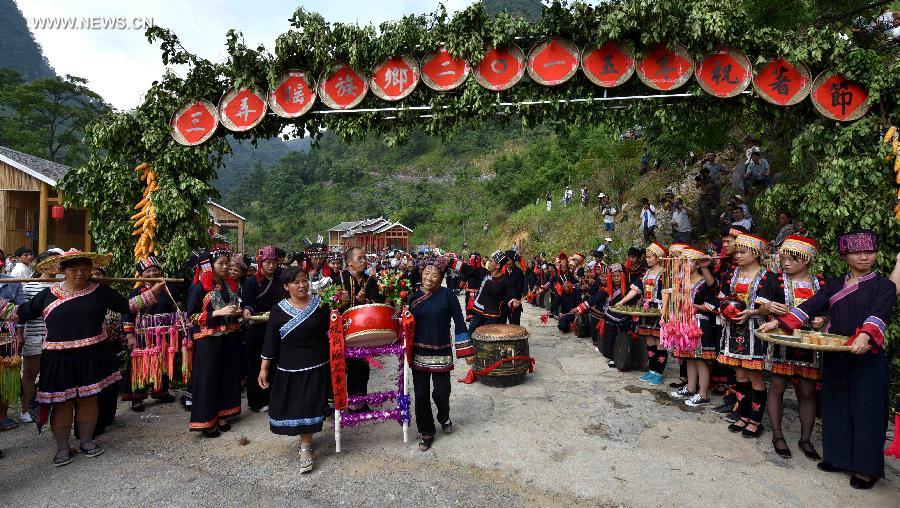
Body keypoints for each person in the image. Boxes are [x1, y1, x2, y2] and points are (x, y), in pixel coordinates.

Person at [0, 249, 165, 466]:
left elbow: (128, 306)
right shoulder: (48, 294)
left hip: (92, 355)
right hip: (58, 359)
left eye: (85, 269)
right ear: (62, 270)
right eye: (73, 269)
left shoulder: (100, 292)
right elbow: (21, 313)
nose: (80, 273)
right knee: (62, 404)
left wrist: (154, 291)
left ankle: (86, 440)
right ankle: (62, 447)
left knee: (88, 399)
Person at [759, 230, 896, 489]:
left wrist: (865, 337)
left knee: (866, 411)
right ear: (845, 255)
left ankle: (866, 469)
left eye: (869, 252)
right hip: (836, 354)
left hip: (867, 357)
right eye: (857, 252)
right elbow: (809, 307)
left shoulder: (884, 287)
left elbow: (879, 316)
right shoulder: (833, 284)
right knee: (835, 406)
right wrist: (778, 322)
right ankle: (838, 457)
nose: (864, 257)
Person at [259, 267, 330, 473]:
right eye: (296, 282)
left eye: (305, 281)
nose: (302, 285)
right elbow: (270, 342)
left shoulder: (320, 305)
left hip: (316, 366)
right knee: (296, 407)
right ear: (286, 286)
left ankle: (306, 447)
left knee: (310, 406)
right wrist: (264, 368)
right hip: (289, 368)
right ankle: (304, 440)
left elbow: (330, 331)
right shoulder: (278, 310)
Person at [704, 232, 773, 438]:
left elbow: (767, 306)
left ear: (756, 253)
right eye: (738, 252)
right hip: (732, 329)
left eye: (743, 252)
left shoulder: (767, 276)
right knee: (740, 375)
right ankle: (743, 415)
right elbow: (723, 297)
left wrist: (751, 312)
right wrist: (723, 311)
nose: (738, 256)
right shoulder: (732, 275)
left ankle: (755, 420)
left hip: (754, 331)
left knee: (755, 376)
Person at [761, 235, 824, 460]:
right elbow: (759, 304)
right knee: (777, 385)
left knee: (807, 391)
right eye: (784, 259)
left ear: (806, 260)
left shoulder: (820, 283)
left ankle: (805, 439)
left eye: (792, 259)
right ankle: (777, 435)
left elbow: (828, 308)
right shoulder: (774, 281)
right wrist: (766, 306)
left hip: (809, 343)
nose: (786, 263)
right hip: (781, 341)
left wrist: (823, 319)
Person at [409, 256, 473, 451]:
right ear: (421, 273)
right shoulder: (412, 297)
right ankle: (426, 431)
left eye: (434, 274)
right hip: (418, 353)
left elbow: (460, 322)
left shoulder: (448, 296)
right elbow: (404, 326)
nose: (429, 277)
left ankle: (443, 415)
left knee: (442, 392)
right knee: (421, 395)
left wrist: (467, 351)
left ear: (441, 277)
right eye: (426, 273)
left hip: (441, 352)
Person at [186, 245, 244, 437]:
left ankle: (222, 414)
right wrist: (217, 312)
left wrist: (238, 312)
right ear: (210, 265)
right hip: (208, 340)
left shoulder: (229, 285)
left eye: (228, 263)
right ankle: (206, 421)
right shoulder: (198, 287)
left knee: (226, 376)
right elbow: (192, 317)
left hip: (229, 336)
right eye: (221, 263)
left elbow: (233, 305)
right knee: (208, 379)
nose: (226, 267)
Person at [120, 256, 179, 412]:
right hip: (142, 335)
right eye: (148, 271)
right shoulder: (136, 292)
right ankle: (137, 398)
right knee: (140, 365)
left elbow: (175, 307)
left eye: (155, 270)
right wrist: (129, 335)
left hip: (163, 334)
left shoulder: (169, 289)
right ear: (142, 275)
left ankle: (161, 391)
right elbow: (127, 314)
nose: (152, 273)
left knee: (163, 362)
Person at [15, 249, 62, 424]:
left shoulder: (63, 285)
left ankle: (51, 406)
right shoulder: (29, 285)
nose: (54, 266)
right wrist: (20, 333)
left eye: (57, 262)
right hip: (34, 334)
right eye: (50, 262)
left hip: (57, 336)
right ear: (41, 265)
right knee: (30, 373)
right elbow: (21, 314)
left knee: (53, 373)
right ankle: (25, 409)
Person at [669, 247, 718, 407]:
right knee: (689, 358)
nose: (683, 265)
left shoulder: (705, 283)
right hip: (684, 323)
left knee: (700, 359)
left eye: (687, 262)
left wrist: (690, 304)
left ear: (698, 264)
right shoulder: (682, 281)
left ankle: (703, 393)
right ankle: (690, 387)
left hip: (699, 323)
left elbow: (711, 307)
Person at [241, 245, 287, 412]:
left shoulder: (281, 280)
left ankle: (275, 397)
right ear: (260, 262)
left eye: (273, 262)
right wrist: (247, 310)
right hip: (257, 327)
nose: (271, 266)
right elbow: (247, 302)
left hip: (276, 326)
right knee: (257, 364)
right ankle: (257, 401)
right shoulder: (251, 281)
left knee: (276, 362)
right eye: (267, 262)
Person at [336, 247, 383, 409]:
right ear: (349, 262)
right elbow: (326, 306)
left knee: (362, 367)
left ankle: (359, 401)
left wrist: (365, 301)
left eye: (365, 258)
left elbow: (378, 303)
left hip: (364, 331)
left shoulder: (370, 280)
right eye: (359, 258)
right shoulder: (338, 279)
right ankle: (345, 403)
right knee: (344, 367)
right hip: (341, 331)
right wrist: (340, 303)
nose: (364, 261)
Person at [618, 242, 667, 385]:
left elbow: (666, 294)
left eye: (650, 257)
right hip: (646, 310)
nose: (647, 259)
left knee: (659, 342)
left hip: (658, 310)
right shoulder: (645, 274)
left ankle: (659, 372)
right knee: (649, 340)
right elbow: (635, 290)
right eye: (646, 257)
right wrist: (622, 301)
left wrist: (663, 312)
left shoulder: (664, 274)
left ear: (658, 258)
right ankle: (651, 370)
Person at [502, 250, 526, 325]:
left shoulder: (519, 272)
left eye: (508, 260)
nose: (507, 262)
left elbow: (519, 289)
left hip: (515, 303)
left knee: (515, 326)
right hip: (503, 303)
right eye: (505, 260)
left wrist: (513, 300)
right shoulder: (502, 271)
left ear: (514, 261)